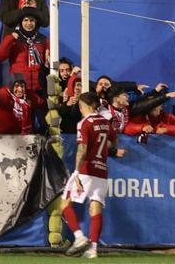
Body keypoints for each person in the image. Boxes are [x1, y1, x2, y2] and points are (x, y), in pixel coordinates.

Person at [61, 92, 111, 259]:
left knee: (65, 203)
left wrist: (76, 171)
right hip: (102, 170)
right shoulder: (106, 122)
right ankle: (93, 250)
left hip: (86, 170)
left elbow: (82, 149)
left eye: (80, 106)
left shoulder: (84, 123)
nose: (79, 108)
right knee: (95, 208)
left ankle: (79, 237)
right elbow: (111, 143)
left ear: (86, 105)